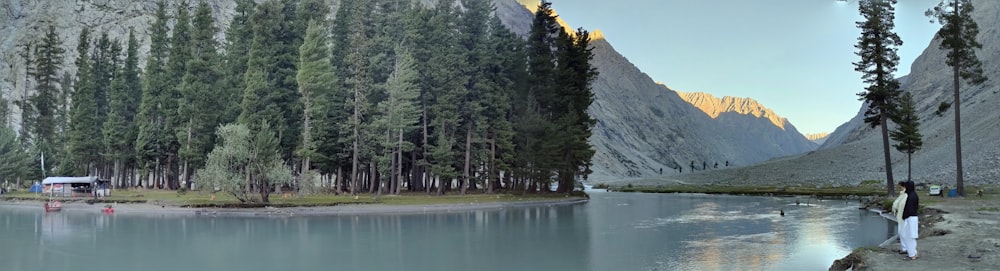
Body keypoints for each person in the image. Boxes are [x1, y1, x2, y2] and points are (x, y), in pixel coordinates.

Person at [900, 181, 920, 260]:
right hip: (912, 218)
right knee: (911, 237)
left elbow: (910, 210)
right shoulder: (914, 195)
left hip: (910, 218)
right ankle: (913, 253)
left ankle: (912, 255)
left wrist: (904, 215)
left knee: (908, 237)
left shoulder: (910, 196)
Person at [890, 181, 909, 255]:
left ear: (904, 186)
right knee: (901, 232)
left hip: (904, 216)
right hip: (900, 216)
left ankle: (906, 248)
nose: (899, 189)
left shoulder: (906, 195)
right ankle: (904, 248)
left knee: (903, 232)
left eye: (900, 187)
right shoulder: (902, 194)